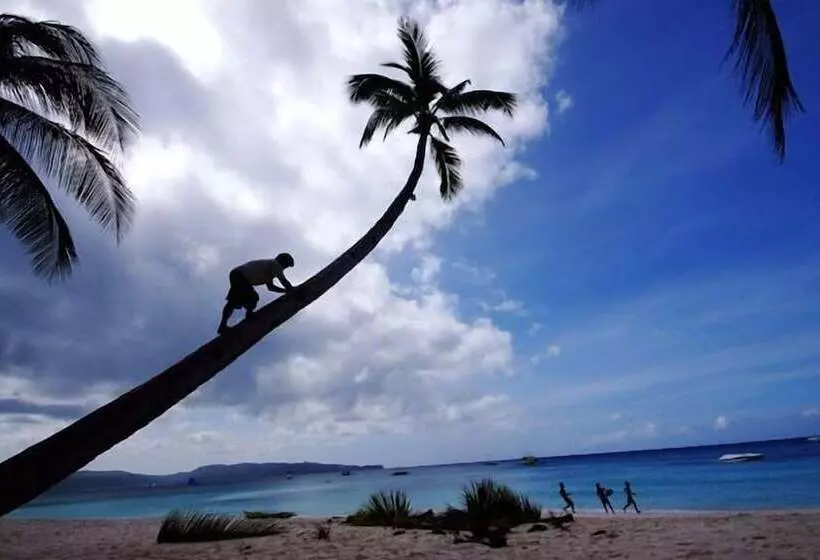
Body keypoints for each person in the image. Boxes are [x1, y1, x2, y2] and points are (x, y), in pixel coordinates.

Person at [217, 253, 296, 334]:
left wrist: (286, 291)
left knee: (234, 301)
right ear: (282, 261)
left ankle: (223, 326)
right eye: (286, 265)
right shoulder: (275, 264)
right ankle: (248, 315)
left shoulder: (269, 269)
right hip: (241, 276)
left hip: (238, 274)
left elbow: (271, 287)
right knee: (252, 298)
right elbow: (284, 281)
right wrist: (292, 290)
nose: (284, 268)